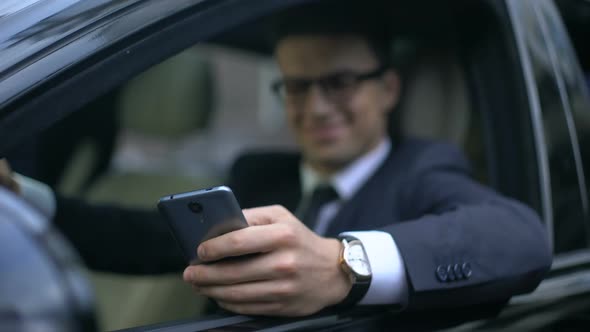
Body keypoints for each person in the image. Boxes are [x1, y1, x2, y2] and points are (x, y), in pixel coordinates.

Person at [1, 1, 551, 321]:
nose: (315, 107)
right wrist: (23, 199)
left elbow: (520, 237)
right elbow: (139, 238)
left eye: (339, 82)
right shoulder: (260, 175)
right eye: (296, 86)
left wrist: (343, 266)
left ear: (388, 88)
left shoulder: (422, 169)